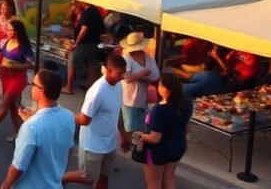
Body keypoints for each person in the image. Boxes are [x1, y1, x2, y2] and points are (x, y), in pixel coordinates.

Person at [0, 69, 76, 189]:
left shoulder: (31, 127)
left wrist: (5, 186)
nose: (31, 86)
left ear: (41, 91)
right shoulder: (69, 117)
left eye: (34, 84)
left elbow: (18, 166)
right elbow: (69, 150)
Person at [75, 54, 130, 189]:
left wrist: (123, 134)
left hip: (110, 143)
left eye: (124, 72)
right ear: (107, 70)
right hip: (93, 145)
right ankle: (61, 178)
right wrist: (62, 117)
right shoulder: (97, 91)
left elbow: (118, 111)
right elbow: (84, 119)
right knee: (87, 178)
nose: (123, 76)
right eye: (119, 73)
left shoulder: (118, 86)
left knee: (105, 177)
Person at [139, 73, 192, 189]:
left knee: (154, 183)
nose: (158, 87)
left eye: (159, 85)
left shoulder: (159, 110)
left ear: (164, 88)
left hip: (157, 152)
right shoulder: (187, 104)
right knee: (169, 179)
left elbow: (155, 138)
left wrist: (141, 135)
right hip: (177, 146)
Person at [0, 18, 32, 141]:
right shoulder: (7, 42)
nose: (9, 32)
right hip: (6, 78)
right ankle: (20, 133)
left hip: (17, 79)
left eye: (11, 30)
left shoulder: (24, 47)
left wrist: (17, 66)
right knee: (12, 107)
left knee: (4, 104)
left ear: (18, 31)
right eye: (8, 30)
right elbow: (0, 55)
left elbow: (30, 64)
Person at [63, 0, 105, 95]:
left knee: (72, 61)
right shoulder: (95, 11)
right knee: (92, 66)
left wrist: (76, 43)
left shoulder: (88, 12)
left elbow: (84, 29)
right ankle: (90, 90)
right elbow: (102, 29)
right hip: (95, 43)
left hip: (85, 44)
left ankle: (69, 87)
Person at [121, 31, 160, 134]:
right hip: (128, 100)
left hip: (142, 99)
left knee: (141, 129)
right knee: (129, 128)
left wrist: (137, 76)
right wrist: (143, 74)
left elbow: (155, 76)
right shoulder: (127, 58)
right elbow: (126, 78)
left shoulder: (148, 58)